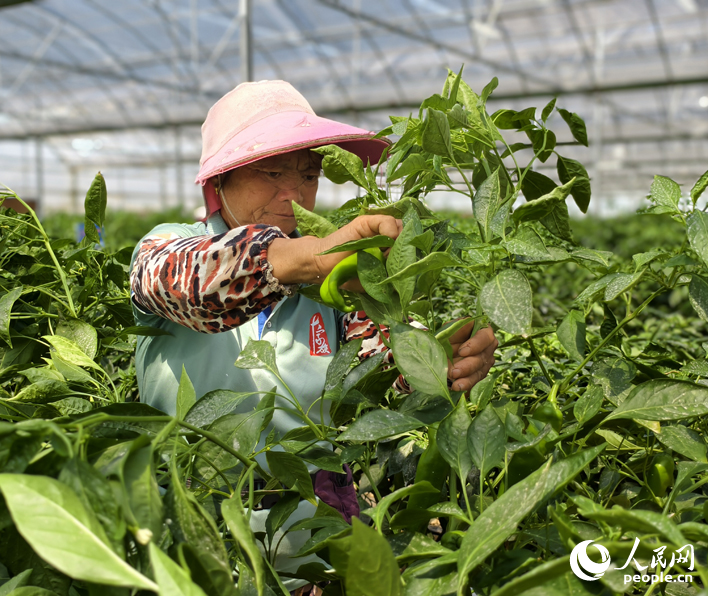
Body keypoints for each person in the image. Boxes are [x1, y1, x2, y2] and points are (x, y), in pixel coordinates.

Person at [129, 80, 498, 595]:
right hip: (191, 552)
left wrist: (448, 359)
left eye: (308, 174)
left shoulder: (338, 290)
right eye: (272, 172)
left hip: (314, 562)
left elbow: (389, 379)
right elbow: (189, 282)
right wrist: (309, 259)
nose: (294, 194)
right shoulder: (169, 246)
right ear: (222, 180)